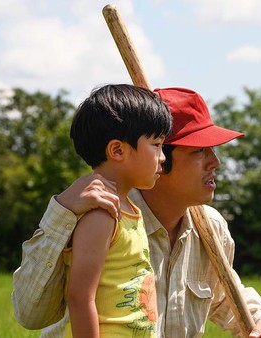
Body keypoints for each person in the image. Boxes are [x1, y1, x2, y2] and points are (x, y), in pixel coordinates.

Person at [12, 87, 261, 338]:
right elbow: (31, 313)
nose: (215, 162)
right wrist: (61, 212)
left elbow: (224, 294)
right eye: (199, 151)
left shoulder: (211, 228)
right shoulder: (98, 212)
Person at [63, 84, 172, 337]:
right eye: (156, 145)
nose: (163, 157)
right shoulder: (101, 214)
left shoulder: (130, 209)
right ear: (117, 150)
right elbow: (80, 298)